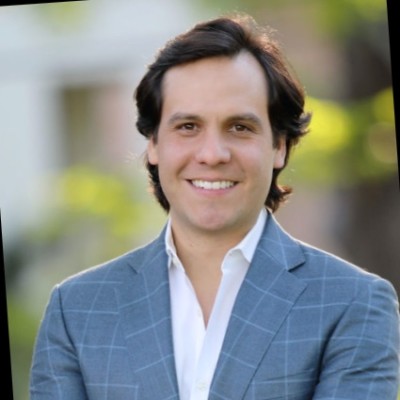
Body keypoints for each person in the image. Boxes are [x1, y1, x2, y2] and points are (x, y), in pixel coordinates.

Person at [30, 14, 399, 400]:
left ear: (279, 146)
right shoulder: (76, 311)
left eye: (240, 127)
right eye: (188, 126)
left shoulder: (353, 303)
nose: (212, 154)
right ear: (153, 144)